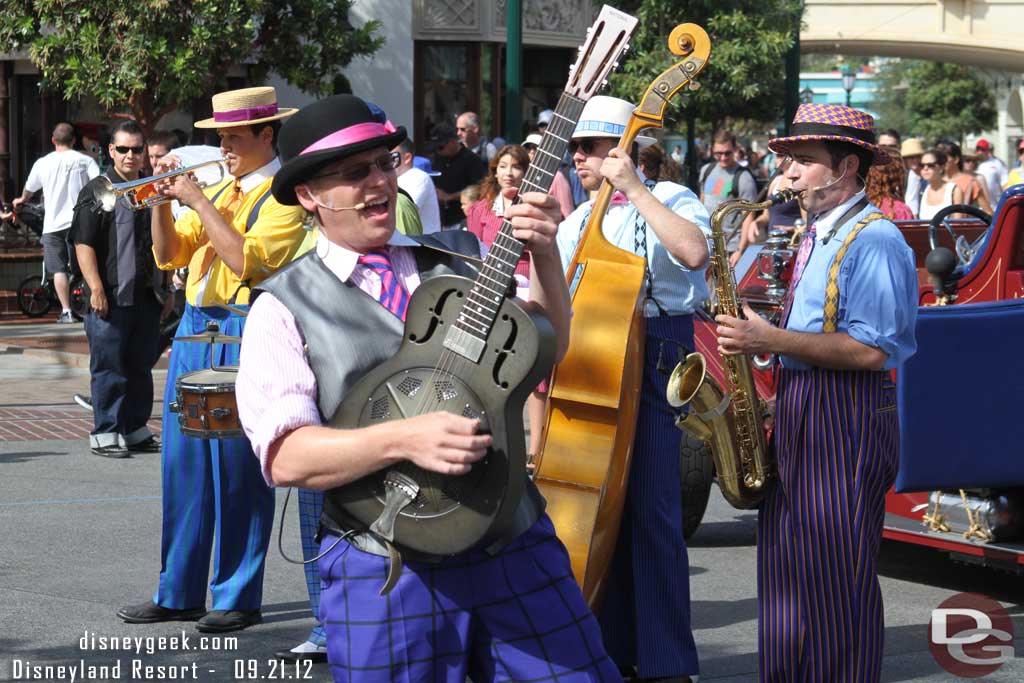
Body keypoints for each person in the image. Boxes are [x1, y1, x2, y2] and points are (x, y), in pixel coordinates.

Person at [234, 93, 618, 682]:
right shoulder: (282, 308)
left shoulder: (463, 257)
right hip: (384, 564)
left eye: (385, 164)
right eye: (355, 173)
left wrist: (545, 259)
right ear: (310, 196)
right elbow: (287, 458)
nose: (378, 182)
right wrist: (404, 438)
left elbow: (545, 350)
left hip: (511, 540)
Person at [715, 103, 918, 682]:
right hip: (805, 403)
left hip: (847, 415)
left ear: (846, 166)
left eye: (804, 161)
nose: (790, 173)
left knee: (834, 581)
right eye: (790, 161)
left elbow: (872, 349)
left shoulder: (874, 239)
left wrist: (770, 335)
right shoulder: (813, 230)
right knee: (785, 575)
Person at [116, 86, 306, 634]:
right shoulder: (224, 187)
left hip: (247, 328)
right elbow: (171, 253)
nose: (222, 146)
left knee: (238, 468)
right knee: (184, 465)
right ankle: (177, 591)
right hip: (199, 325)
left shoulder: (283, 195)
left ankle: (238, 595)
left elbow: (245, 260)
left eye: (232, 137)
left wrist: (196, 199)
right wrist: (158, 201)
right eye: (218, 136)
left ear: (266, 135)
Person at [556, 95, 710, 682]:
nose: (578, 158)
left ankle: (668, 662)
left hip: (658, 344)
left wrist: (636, 189)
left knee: (653, 513)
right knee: (603, 515)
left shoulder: (670, 197)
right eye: (576, 148)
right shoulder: (575, 220)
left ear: (626, 149)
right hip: (595, 354)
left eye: (590, 147)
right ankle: (612, 651)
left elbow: (694, 252)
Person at [70, 121, 164, 458]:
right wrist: (95, 287)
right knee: (109, 367)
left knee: (139, 367)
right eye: (122, 149)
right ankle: (105, 432)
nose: (129, 155)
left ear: (144, 153)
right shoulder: (99, 189)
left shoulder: (150, 188)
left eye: (136, 149)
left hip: (146, 298)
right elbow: (83, 242)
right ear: (111, 150)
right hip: (109, 296)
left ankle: (136, 429)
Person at [13, 122, 100, 323]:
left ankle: (67, 311)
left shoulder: (43, 163)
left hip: (52, 226)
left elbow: (29, 189)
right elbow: (99, 185)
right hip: (79, 222)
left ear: (53, 140)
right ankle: (90, 304)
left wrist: (21, 200)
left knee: (58, 269)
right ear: (74, 140)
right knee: (83, 266)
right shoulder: (84, 161)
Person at [731, 158, 806, 268]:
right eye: (776, 155)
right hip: (773, 245)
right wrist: (756, 223)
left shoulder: (797, 183)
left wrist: (791, 229)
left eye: (780, 155)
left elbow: (807, 222)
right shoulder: (776, 181)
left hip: (792, 246)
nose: (777, 158)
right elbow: (766, 216)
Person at [699, 130, 758, 252]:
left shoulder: (744, 177)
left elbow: (748, 216)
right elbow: (701, 202)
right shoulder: (706, 170)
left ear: (735, 150)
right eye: (718, 153)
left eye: (727, 153)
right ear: (712, 150)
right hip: (707, 245)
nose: (723, 157)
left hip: (731, 247)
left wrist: (740, 251)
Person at [430, 122, 487, 230]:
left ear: (452, 142)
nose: (438, 151)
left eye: (440, 147)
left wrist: (449, 197)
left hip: (460, 219)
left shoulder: (472, 160)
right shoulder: (438, 158)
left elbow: (478, 189)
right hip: (439, 219)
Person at [394, 137, 441, 234]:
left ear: (407, 158)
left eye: (393, 157)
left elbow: (403, 210)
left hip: (424, 245)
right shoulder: (396, 179)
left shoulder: (419, 177)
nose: (388, 161)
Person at [523, 132, 574, 218]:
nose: (531, 151)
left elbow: (567, 214)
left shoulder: (556, 177)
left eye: (536, 148)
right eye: (528, 148)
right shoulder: (520, 174)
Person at [936, 141, 992, 214]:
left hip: (961, 224)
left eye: (945, 158)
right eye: (939, 159)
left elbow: (988, 213)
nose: (941, 162)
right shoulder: (936, 181)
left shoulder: (970, 181)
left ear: (956, 159)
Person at [918, 148, 964, 221]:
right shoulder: (921, 190)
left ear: (941, 166)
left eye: (930, 165)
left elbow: (958, 224)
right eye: (921, 165)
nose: (925, 168)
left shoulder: (954, 190)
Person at [974, 138, 1008, 205]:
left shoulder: (997, 163)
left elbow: (1005, 184)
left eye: (983, 150)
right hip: (975, 207)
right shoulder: (971, 163)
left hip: (993, 206)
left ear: (987, 151)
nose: (980, 152)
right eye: (978, 149)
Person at [900, 138, 925, 217]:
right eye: (910, 157)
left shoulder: (930, 176)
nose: (915, 160)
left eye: (918, 156)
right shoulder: (903, 177)